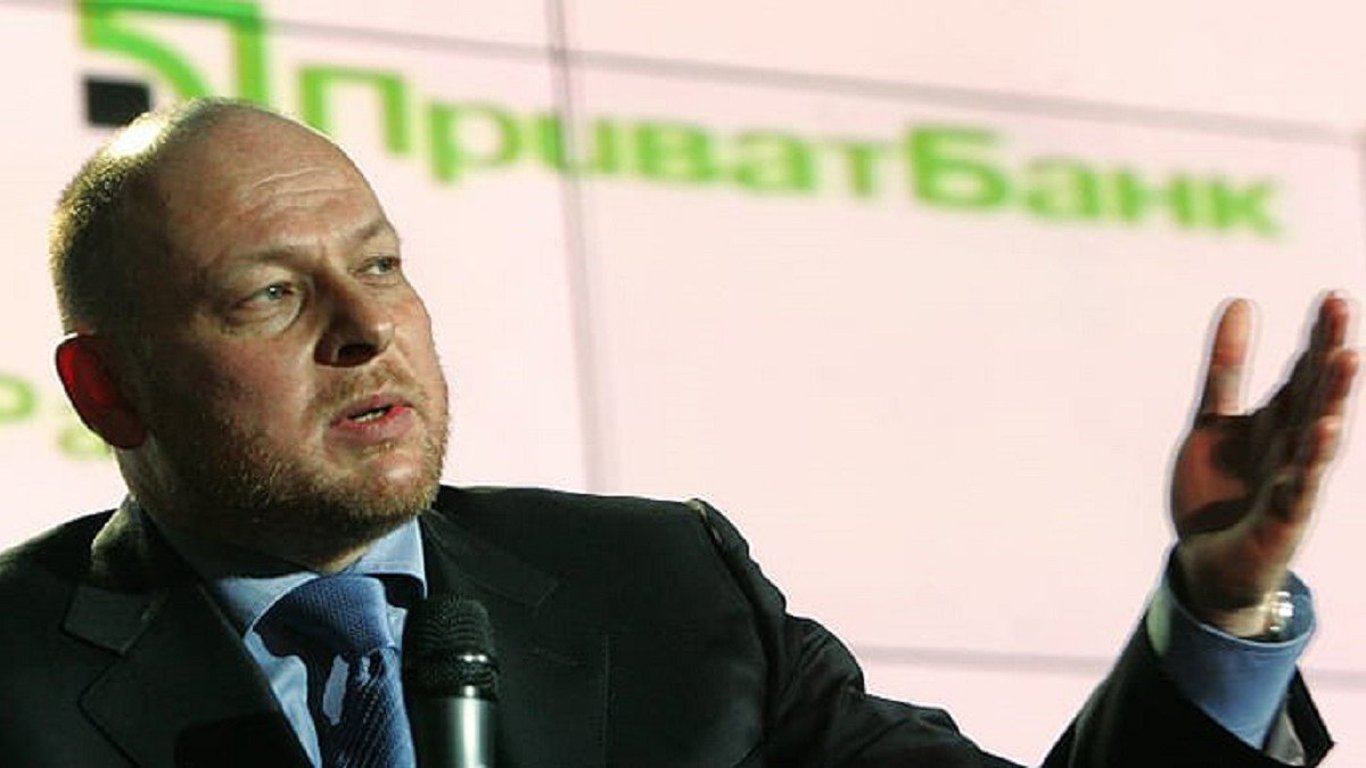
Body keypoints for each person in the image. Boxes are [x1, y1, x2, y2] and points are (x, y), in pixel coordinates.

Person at [0, 97, 1355, 767]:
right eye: (270, 296)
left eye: (383, 266)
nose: (368, 330)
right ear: (109, 391)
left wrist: (1218, 606)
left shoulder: (664, 592)